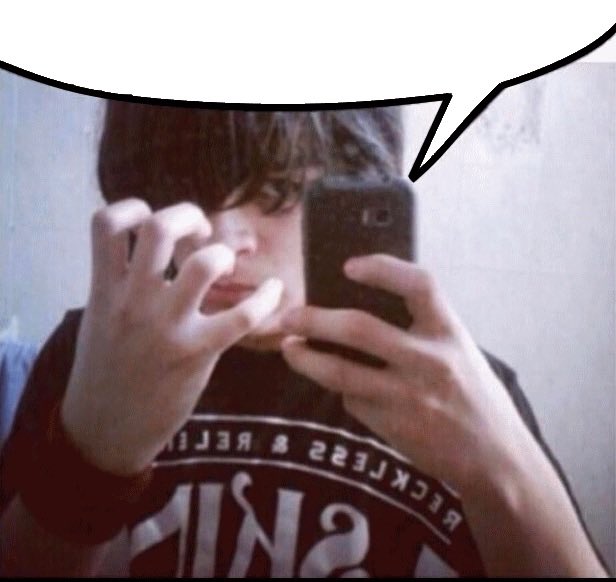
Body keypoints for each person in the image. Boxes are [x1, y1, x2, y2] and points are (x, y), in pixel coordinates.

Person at [0, 104, 608, 577]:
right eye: (185, 190)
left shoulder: (457, 391)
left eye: (275, 191)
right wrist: (91, 461)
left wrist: (503, 470)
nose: (221, 240)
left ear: (353, 187)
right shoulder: (92, 356)